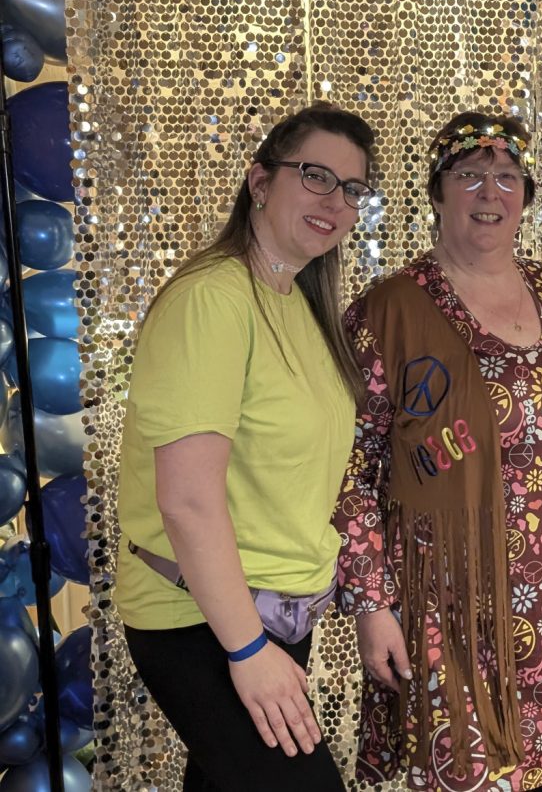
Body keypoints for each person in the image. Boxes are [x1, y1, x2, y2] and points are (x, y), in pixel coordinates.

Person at [334, 111, 542, 792]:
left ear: (526, 195)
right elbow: (347, 469)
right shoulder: (389, 311)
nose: (490, 193)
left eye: (506, 177)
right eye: (469, 176)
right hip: (452, 603)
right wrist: (372, 604)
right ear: (437, 193)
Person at [115, 104, 378, 791]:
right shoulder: (213, 299)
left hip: (274, 611)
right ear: (260, 182)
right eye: (315, 176)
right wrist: (247, 648)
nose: (335, 201)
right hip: (205, 617)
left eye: (352, 188)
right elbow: (187, 500)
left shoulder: (298, 300)